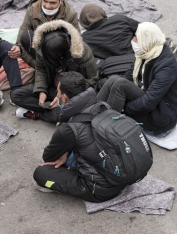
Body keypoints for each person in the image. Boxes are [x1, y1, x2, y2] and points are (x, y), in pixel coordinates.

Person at [32, 72, 126, 201]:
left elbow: (49, 157)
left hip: (101, 190)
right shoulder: (103, 106)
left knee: (40, 174)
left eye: (58, 91)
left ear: (64, 98)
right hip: (125, 175)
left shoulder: (68, 128)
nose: (56, 95)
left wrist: (65, 149)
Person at [96, 22, 177, 137]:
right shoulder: (147, 52)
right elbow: (128, 76)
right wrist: (118, 100)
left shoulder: (167, 66)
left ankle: (106, 133)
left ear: (147, 40)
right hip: (148, 100)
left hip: (160, 119)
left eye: (137, 38)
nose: (133, 40)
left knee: (120, 85)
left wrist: (124, 107)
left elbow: (148, 103)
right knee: (114, 80)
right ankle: (93, 114)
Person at [10, 20, 98, 122]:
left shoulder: (81, 53)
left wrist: (63, 96)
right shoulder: (41, 47)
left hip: (70, 94)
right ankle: (55, 109)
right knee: (16, 95)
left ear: (63, 55)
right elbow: (40, 69)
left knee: (60, 113)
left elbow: (92, 81)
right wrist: (41, 90)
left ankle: (40, 113)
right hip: (52, 88)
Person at [12, 0, 79, 68]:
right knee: (25, 37)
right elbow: (23, 32)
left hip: (58, 52)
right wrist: (18, 48)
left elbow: (76, 42)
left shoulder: (70, 14)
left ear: (61, 1)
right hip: (38, 52)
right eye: (45, 1)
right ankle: (44, 69)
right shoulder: (32, 10)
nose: (47, 6)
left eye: (52, 3)